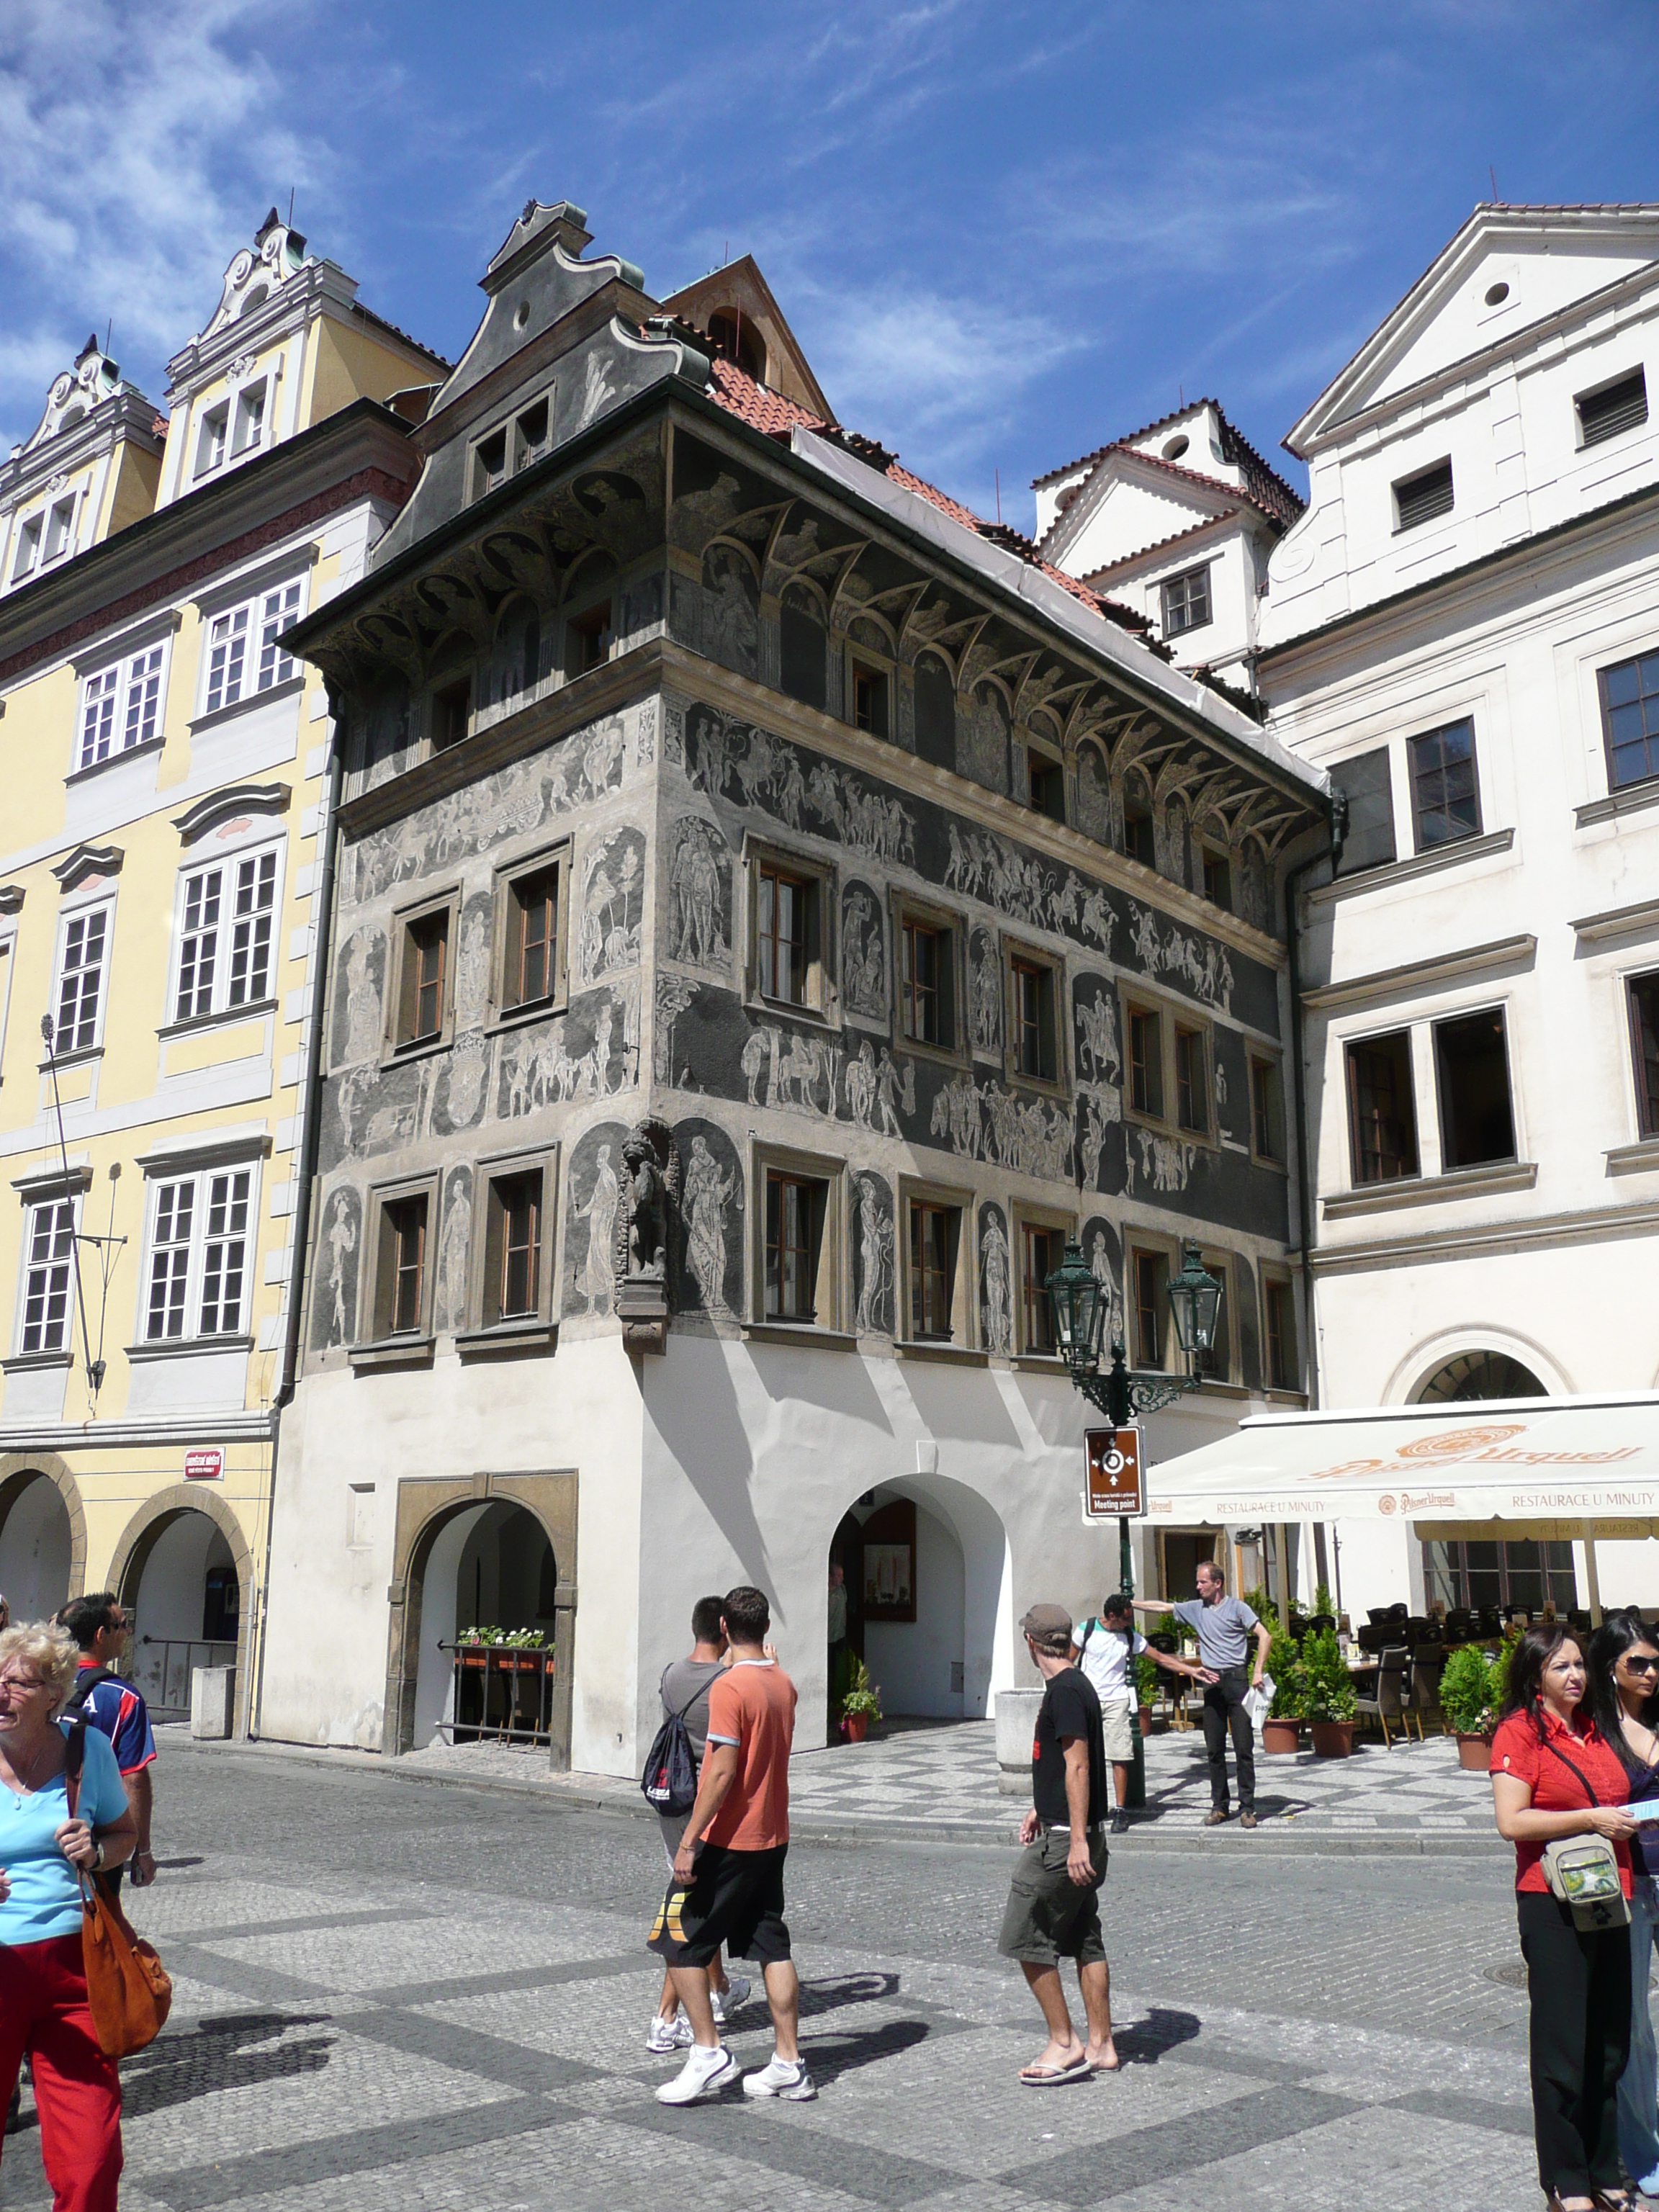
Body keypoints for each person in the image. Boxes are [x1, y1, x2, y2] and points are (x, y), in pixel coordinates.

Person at [1491, 1621, 1638, 2212]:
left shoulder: (1596, 1729)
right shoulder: (1519, 1732)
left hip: (1610, 1894)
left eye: (1579, 1664)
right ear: (1535, 1676)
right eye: (1561, 1667)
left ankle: (1605, 2170)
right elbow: (1512, 1822)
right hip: (1551, 1902)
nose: (1575, 1675)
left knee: (1608, 2044)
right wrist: (1591, 1819)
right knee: (1562, 2049)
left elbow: (1617, 1797)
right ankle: (1567, 2181)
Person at [647, 1584, 813, 2105]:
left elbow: (720, 1772)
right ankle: (789, 2062)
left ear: (724, 1629)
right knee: (771, 1945)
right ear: (766, 1628)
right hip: (773, 1836)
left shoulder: (730, 1688)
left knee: (677, 1940)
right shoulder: (782, 1683)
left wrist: (690, 1841)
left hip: (731, 1837)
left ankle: (708, 2052)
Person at [0, 1619, 138, 2212]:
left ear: (54, 1693)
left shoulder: (87, 1749)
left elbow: (123, 1832)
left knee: (92, 2159)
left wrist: (99, 1851)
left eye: (18, 1683)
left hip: (73, 1972)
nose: (0, 1692)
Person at [998, 1603, 1115, 2084]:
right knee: (1083, 1936)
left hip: (1066, 1844)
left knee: (1024, 1934)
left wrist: (1076, 1840)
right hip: (1070, 1829)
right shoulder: (1076, 1684)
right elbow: (1063, 1767)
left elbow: (1080, 1766)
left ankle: (1064, 2043)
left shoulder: (1065, 1691)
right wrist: (1042, 1807)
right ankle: (1102, 2044)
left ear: (1030, 1642)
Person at [647, 1596, 750, 2054]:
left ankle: (718, 1988)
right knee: (693, 1915)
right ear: (726, 1629)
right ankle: (670, 2017)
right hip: (706, 1804)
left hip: (674, 1799)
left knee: (691, 1903)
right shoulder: (727, 1684)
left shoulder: (671, 1674)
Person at [1590, 1611, 1659, 2203]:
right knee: (1634, 2025)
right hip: (1631, 1882)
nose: (1650, 1671)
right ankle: (1642, 2153)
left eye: (1656, 1660)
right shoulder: (1594, 1731)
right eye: (1637, 1662)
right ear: (1609, 1667)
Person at [1132, 1562, 1269, 1828]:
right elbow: (1163, 1606)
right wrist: (1133, 1604)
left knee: (1244, 1748)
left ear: (1217, 1583)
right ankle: (1219, 1806)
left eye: (1202, 1582)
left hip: (1238, 1679)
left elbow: (1265, 1636)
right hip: (1211, 1681)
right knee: (1214, 1749)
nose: (1197, 1587)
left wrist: (1258, 1671)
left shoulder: (1238, 1608)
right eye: (1197, 1582)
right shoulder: (1196, 1609)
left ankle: (1248, 1807)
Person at [1073, 1593, 1211, 1833]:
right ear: (1112, 1616)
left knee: (1120, 1756)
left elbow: (1159, 1657)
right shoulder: (1086, 1630)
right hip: (1089, 1700)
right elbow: (1068, 1663)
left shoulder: (1129, 1636)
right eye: (1125, 1618)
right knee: (1085, 1759)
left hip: (1117, 1700)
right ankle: (1088, 1808)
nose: (1129, 1623)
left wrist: (1192, 1671)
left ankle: (1120, 1810)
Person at [56, 1595, 156, 1890]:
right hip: (95, 1838)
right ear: (101, 1634)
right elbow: (133, 1778)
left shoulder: (37, 1685)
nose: (127, 1633)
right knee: (100, 1928)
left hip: (32, 1823)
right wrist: (142, 1849)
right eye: (122, 1625)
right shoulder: (123, 1696)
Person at [827, 1560, 853, 1720]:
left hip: (840, 1637)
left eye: (842, 1575)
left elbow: (844, 1611)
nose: (842, 1578)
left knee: (839, 1673)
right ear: (829, 1576)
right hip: (826, 1640)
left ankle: (838, 1704)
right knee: (829, 1674)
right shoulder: (824, 1593)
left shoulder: (842, 1590)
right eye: (838, 1575)